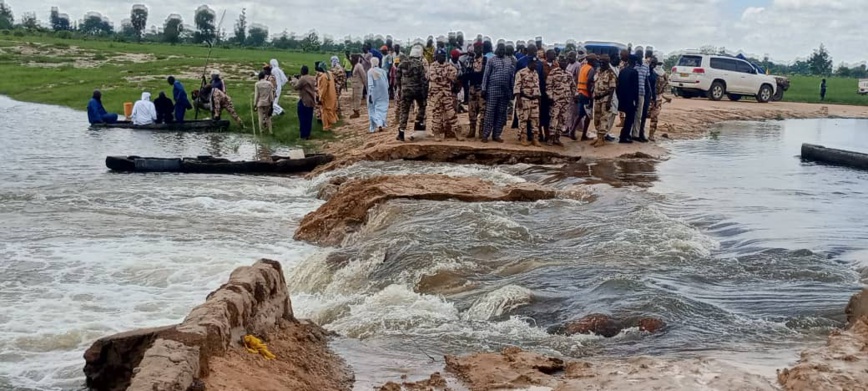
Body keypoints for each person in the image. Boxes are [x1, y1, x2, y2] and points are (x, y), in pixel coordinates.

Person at [481, 41, 515, 143]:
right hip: (492, 89)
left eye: (503, 49)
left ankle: (496, 135)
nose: (501, 51)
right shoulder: (491, 60)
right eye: (500, 49)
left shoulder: (509, 61)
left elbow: (511, 77)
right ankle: (485, 135)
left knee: (501, 113)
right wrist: (483, 89)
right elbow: (486, 75)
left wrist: (512, 90)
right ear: (496, 50)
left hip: (505, 91)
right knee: (490, 112)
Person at [428, 48, 461, 141]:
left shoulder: (449, 65)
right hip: (436, 95)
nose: (441, 57)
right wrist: (445, 77)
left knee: (452, 114)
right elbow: (434, 77)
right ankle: (436, 133)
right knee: (436, 114)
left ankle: (457, 132)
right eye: (439, 56)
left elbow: (453, 76)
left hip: (446, 95)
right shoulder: (432, 66)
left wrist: (443, 77)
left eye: (443, 56)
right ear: (436, 56)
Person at [396, 44, 428, 141]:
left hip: (406, 91)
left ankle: (401, 133)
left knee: (404, 111)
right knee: (422, 106)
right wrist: (425, 94)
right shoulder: (420, 65)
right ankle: (418, 122)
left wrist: (400, 88)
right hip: (417, 90)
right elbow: (423, 81)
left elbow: (397, 78)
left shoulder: (402, 64)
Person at [546, 55, 574, 146]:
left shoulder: (569, 74)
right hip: (556, 100)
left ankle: (557, 138)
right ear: (559, 62)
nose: (564, 63)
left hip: (566, 101)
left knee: (563, 120)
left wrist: (575, 95)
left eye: (566, 62)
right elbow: (548, 86)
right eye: (562, 61)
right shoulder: (553, 72)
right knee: (553, 119)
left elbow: (573, 86)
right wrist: (550, 97)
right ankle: (550, 138)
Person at [514, 55, 542, 146]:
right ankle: (523, 138)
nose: (535, 64)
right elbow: (517, 87)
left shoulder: (536, 73)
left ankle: (535, 138)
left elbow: (537, 87)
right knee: (523, 120)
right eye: (534, 63)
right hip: (524, 99)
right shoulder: (521, 73)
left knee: (535, 120)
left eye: (536, 63)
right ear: (529, 63)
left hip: (534, 100)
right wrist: (518, 100)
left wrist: (539, 99)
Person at [591, 55, 617, 147]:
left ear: (607, 63)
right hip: (597, 99)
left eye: (603, 62)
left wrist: (609, 101)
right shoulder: (598, 71)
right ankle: (598, 137)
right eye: (600, 62)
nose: (601, 64)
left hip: (605, 99)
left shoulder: (611, 73)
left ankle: (602, 138)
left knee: (604, 118)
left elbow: (612, 88)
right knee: (597, 118)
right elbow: (595, 83)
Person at [465, 43, 486, 139]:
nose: (477, 50)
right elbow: (467, 72)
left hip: (481, 87)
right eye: (476, 48)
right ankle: (472, 130)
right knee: (471, 109)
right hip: (472, 87)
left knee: (482, 110)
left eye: (479, 48)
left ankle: (481, 131)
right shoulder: (470, 59)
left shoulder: (485, 60)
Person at [617, 55, 640, 143]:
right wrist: (636, 101)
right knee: (630, 118)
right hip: (630, 99)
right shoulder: (634, 72)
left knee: (627, 117)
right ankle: (624, 136)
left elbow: (619, 85)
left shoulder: (622, 71)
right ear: (634, 63)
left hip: (622, 98)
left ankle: (624, 134)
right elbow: (635, 88)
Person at [648, 57, 671, 142]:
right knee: (649, 117)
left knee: (654, 118)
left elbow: (662, 89)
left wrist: (664, 97)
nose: (659, 66)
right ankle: (647, 135)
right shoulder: (651, 72)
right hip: (651, 98)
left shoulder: (662, 74)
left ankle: (651, 135)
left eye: (660, 64)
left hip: (656, 99)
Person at [291, 65, 317, 140]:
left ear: (302, 71)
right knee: (309, 118)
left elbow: (296, 87)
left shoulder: (303, 79)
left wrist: (293, 81)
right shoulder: (312, 78)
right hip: (311, 100)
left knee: (302, 118)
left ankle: (303, 135)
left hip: (304, 100)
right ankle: (308, 134)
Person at [538, 49, 558, 142]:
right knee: (540, 114)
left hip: (553, 94)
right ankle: (539, 134)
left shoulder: (556, 65)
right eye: (552, 54)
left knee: (549, 115)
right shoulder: (541, 65)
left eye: (554, 54)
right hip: (542, 93)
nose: (554, 56)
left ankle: (548, 134)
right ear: (547, 55)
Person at [367, 57, 390, 133]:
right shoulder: (383, 71)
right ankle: (381, 122)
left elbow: (370, 85)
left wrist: (370, 95)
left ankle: (374, 126)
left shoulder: (370, 71)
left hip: (374, 92)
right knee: (382, 108)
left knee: (372, 109)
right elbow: (387, 84)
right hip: (384, 92)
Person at [632, 49, 650, 142]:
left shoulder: (646, 66)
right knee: (631, 114)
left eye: (640, 55)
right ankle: (631, 133)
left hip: (641, 93)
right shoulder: (633, 65)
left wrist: (648, 93)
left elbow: (646, 81)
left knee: (638, 115)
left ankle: (635, 134)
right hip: (632, 93)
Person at [317, 62, 339, 130]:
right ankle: (330, 124)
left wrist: (320, 98)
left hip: (326, 97)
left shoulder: (323, 77)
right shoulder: (329, 73)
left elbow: (323, 89)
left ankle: (326, 126)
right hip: (332, 96)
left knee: (324, 111)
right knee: (330, 110)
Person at [351, 54, 366, 119]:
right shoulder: (355, 65)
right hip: (355, 84)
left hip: (358, 84)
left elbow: (363, 75)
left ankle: (357, 112)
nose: (351, 60)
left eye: (352, 59)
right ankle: (355, 110)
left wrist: (364, 83)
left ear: (355, 59)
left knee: (357, 98)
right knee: (354, 98)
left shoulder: (359, 66)